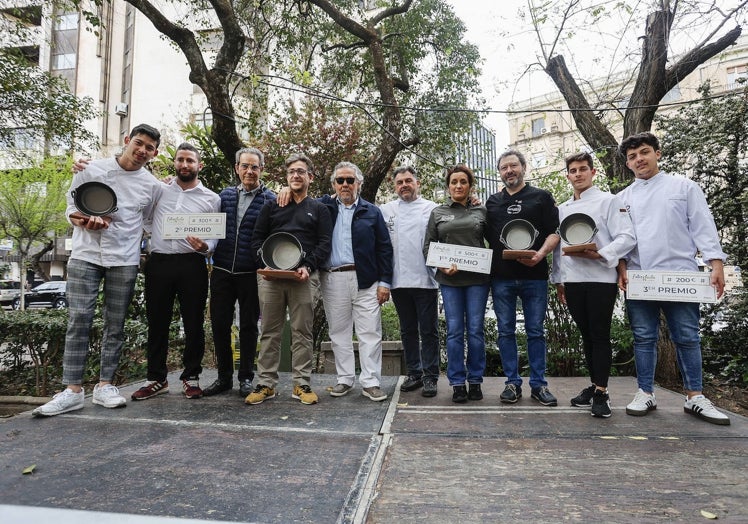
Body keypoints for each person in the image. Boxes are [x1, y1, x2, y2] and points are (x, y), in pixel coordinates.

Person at [32, 124, 163, 417]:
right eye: (138, 143)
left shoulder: (152, 186)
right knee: (79, 319)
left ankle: (105, 386)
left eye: (149, 148)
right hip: (85, 254)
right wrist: (81, 220)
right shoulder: (90, 170)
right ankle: (72, 390)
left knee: (115, 324)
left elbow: (151, 222)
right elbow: (71, 206)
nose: (142, 151)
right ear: (127, 141)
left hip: (124, 260)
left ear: (155, 153)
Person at [617, 132, 731, 425]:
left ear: (657, 153)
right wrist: (621, 269)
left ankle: (695, 396)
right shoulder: (622, 199)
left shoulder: (684, 187)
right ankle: (645, 392)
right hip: (640, 277)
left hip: (681, 276)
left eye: (644, 152)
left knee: (688, 337)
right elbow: (620, 240)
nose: (639, 159)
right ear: (628, 164)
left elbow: (703, 226)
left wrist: (715, 264)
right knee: (643, 338)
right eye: (632, 157)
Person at [130, 143, 221, 401]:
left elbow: (214, 236)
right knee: (157, 321)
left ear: (198, 165)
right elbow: (147, 218)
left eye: (190, 161)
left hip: (193, 264)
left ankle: (191, 377)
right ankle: (156, 378)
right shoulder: (159, 190)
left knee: (194, 323)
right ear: (175, 163)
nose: (184, 165)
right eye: (180, 160)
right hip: (159, 263)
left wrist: (205, 246)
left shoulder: (211, 198)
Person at [550, 152, 636, 418]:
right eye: (573, 170)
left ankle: (602, 392)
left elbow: (627, 236)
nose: (578, 174)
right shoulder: (563, 208)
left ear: (592, 172)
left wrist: (601, 253)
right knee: (586, 336)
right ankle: (594, 384)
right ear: (567, 175)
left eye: (582, 169)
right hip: (573, 280)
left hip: (600, 279)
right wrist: (559, 280)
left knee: (599, 335)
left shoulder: (610, 201)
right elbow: (558, 248)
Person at [245, 153, 332, 406]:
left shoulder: (319, 209)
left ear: (310, 177)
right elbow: (256, 239)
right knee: (269, 331)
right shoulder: (272, 206)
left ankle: (301, 384)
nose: (296, 175)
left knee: (302, 332)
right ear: (286, 176)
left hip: (304, 277)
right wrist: (265, 265)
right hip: (271, 278)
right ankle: (266, 384)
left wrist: (308, 265)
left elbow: (324, 243)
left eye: (301, 171)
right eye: (292, 171)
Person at [485, 149, 560, 406]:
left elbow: (555, 233)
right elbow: (479, 232)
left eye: (513, 166)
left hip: (535, 276)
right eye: (504, 168)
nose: (509, 171)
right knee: (505, 331)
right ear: (500, 173)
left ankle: (539, 385)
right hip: (501, 278)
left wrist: (540, 255)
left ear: (524, 167)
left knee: (536, 331)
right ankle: (511, 384)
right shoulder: (492, 202)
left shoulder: (541, 197)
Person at [202, 147, 276, 398]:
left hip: (251, 273)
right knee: (220, 324)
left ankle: (246, 377)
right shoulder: (223, 196)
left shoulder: (272, 199)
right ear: (237, 168)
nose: (249, 171)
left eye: (254, 167)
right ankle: (224, 377)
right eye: (245, 166)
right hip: (222, 269)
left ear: (261, 170)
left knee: (248, 326)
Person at [317, 162, 393, 402]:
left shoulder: (372, 211)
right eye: (340, 181)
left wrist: (385, 283)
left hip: (367, 280)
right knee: (338, 332)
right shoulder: (323, 207)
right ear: (334, 185)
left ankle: (370, 382)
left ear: (359, 184)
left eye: (350, 180)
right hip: (333, 277)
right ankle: (344, 379)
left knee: (370, 332)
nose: (346, 185)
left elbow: (384, 249)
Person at [424, 165, 490, 403]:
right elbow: (428, 246)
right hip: (450, 281)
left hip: (478, 281)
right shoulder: (438, 212)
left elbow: (494, 241)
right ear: (448, 186)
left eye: (463, 182)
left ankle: (475, 381)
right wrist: (440, 266)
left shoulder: (482, 210)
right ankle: (456, 383)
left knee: (475, 331)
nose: (459, 186)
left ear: (470, 185)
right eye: (454, 182)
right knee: (454, 332)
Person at [380, 166, 440, 397]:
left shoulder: (432, 208)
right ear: (394, 186)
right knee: (407, 330)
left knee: (429, 331)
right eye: (399, 182)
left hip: (426, 279)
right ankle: (414, 372)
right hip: (398, 280)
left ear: (418, 182)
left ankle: (431, 376)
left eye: (408, 180)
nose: (404, 185)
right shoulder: (386, 210)